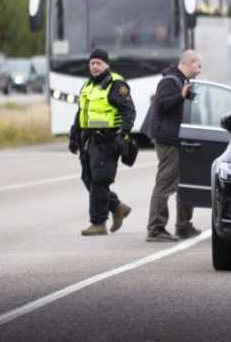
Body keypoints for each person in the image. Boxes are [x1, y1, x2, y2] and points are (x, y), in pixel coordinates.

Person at [69, 48, 135, 236]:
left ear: (106, 64)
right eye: (92, 63)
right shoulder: (87, 86)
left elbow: (129, 112)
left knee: (99, 181)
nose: (95, 67)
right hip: (88, 140)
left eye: (99, 63)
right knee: (88, 179)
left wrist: (123, 134)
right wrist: (74, 136)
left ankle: (98, 223)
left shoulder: (116, 85)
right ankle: (117, 207)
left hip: (108, 140)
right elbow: (81, 112)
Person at [145, 50, 204, 242]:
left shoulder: (182, 81)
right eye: (198, 66)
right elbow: (161, 105)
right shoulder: (169, 81)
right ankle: (155, 228)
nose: (200, 71)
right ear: (188, 63)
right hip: (169, 140)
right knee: (166, 183)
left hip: (181, 139)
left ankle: (183, 226)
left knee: (184, 183)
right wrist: (181, 96)